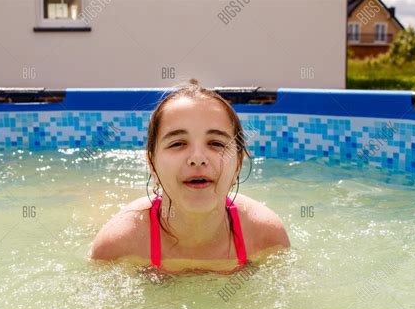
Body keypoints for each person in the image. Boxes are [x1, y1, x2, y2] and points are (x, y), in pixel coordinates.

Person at [90, 83, 290, 274]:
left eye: (216, 143)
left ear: (237, 163)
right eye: (177, 143)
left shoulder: (265, 236)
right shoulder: (118, 246)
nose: (197, 159)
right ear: (151, 164)